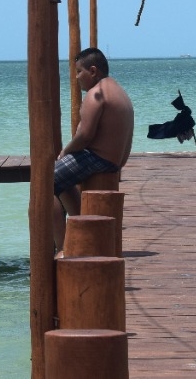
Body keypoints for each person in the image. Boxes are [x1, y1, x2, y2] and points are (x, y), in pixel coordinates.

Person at [53, 47, 134, 254]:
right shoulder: (117, 90)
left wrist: (65, 151)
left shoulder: (96, 94)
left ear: (93, 71)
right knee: (63, 183)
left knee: (44, 185)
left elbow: (85, 136)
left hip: (98, 157)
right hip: (113, 160)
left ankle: (63, 247)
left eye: (79, 72)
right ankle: (81, 227)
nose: (77, 78)